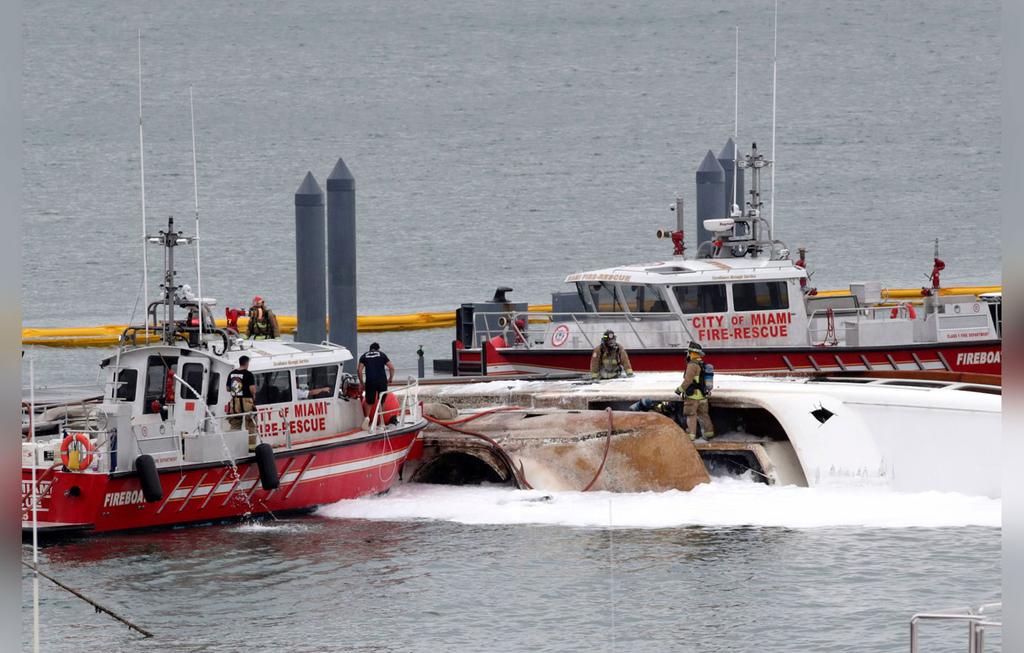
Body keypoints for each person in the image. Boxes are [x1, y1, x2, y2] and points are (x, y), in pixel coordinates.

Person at [674, 341, 715, 441]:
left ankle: (691, 435)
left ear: (692, 353)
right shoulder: (702, 364)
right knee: (703, 415)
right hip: (703, 395)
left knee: (691, 415)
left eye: (688, 352)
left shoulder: (692, 365)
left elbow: (688, 380)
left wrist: (679, 390)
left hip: (693, 396)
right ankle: (709, 433)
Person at [226, 355, 258, 448]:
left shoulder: (232, 373)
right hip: (247, 402)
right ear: (247, 363)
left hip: (235, 402)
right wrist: (254, 396)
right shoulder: (248, 374)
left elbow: (228, 388)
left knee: (235, 425)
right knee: (251, 423)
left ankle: (235, 447)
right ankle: (251, 447)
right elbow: (252, 389)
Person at [357, 342, 395, 416]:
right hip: (382, 381)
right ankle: (381, 422)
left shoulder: (364, 356)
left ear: (370, 349)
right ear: (378, 349)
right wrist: (390, 378)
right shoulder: (382, 354)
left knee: (369, 402)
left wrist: (362, 383)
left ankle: (367, 420)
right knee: (382, 401)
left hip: (370, 381)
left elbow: (359, 371)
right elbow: (391, 368)